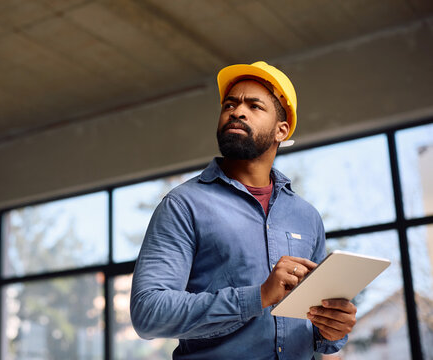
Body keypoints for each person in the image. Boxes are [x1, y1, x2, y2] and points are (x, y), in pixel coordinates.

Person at [130, 61, 357, 359]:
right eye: (230, 104)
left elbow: (314, 328)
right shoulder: (183, 205)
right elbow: (148, 313)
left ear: (281, 130)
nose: (237, 111)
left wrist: (333, 328)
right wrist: (258, 296)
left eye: (254, 106)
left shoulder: (307, 216)